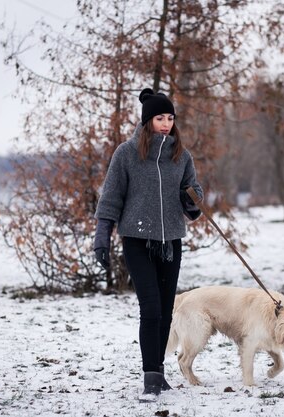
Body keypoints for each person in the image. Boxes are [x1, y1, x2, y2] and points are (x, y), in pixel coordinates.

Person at [93, 88, 203, 398]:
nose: (166, 123)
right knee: (151, 307)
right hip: (137, 241)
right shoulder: (126, 154)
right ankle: (151, 376)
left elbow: (194, 196)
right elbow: (111, 197)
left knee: (166, 311)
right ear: (147, 121)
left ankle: (159, 371)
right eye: (160, 118)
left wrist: (191, 199)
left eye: (170, 118)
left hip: (171, 242)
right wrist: (102, 237)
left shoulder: (181, 155)